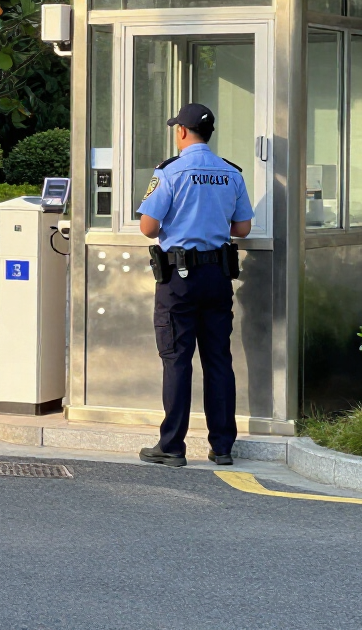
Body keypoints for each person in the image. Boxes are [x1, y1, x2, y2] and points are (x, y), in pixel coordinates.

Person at [136, 103, 253, 468]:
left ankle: (171, 446)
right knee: (218, 360)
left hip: (178, 281)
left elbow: (148, 227)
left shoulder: (169, 171)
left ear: (183, 131)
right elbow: (243, 228)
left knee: (177, 361)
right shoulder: (230, 172)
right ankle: (222, 447)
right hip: (217, 277)